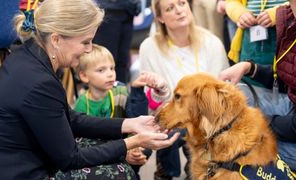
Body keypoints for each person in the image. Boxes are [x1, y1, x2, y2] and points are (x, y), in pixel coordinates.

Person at [0, 0, 180, 179]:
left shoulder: (30, 55)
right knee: (120, 171)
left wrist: (130, 124)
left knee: (108, 146)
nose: (89, 49)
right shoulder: (39, 81)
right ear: (56, 39)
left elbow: (68, 119)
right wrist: (135, 141)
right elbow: (69, 158)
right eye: (85, 42)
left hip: (8, 161)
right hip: (16, 172)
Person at [139, 0, 229, 179]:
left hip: (206, 115)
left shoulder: (211, 42)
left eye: (182, 3)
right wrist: (162, 92)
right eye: (170, 8)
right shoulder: (149, 47)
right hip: (170, 113)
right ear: (160, 18)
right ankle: (165, 172)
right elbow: (149, 98)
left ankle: (195, 170)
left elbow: (222, 89)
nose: (179, 10)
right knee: (164, 128)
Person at [71, 43, 171, 179]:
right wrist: (123, 153)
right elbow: (83, 141)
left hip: (126, 143)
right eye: (101, 70)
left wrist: (137, 90)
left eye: (112, 68)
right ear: (84, 76)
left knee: (146, 146)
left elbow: (137, 116)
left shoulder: (120, 92)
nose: (110, 74)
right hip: (100, 151)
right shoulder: (82, 103)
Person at [219, 1, 296, 171]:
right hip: (292, 108)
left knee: (242, 141)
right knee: (233, 98)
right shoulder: (289, 18)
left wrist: (259, 122)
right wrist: (249, 68)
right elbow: (290, 80)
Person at [226, 0, 290, 115]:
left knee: (283, 94)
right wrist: (240, 14)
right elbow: (230, 2)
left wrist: (278, 13)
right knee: (249, 96)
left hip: (284, 36)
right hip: (249, 41)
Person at [93, 0, 141, 83]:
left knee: (122, 63)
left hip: (128, 9)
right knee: (104, 62)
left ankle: (121, 93)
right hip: (107, 10)